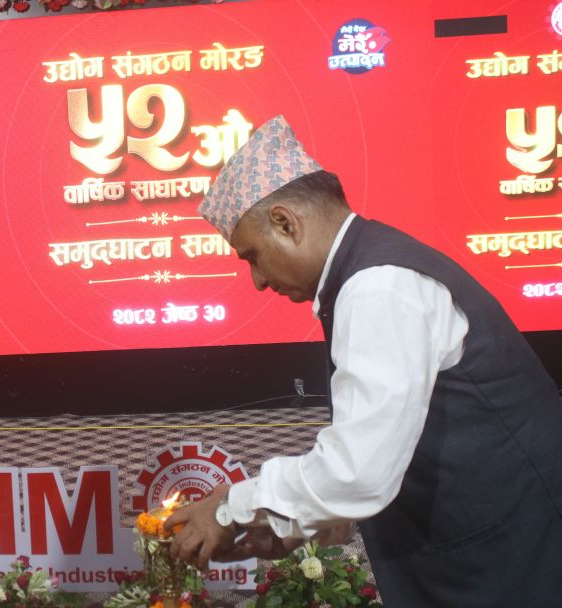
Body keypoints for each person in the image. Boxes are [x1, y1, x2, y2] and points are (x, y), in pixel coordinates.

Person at [165, 116, 562, 605]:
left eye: (252, 256)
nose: (258, 281)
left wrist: (230, 506)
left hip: (508, 561)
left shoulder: (378, 287)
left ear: (285, 223)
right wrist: (294, 526)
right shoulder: (369, 273)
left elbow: (358, 472)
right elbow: (390, 449)